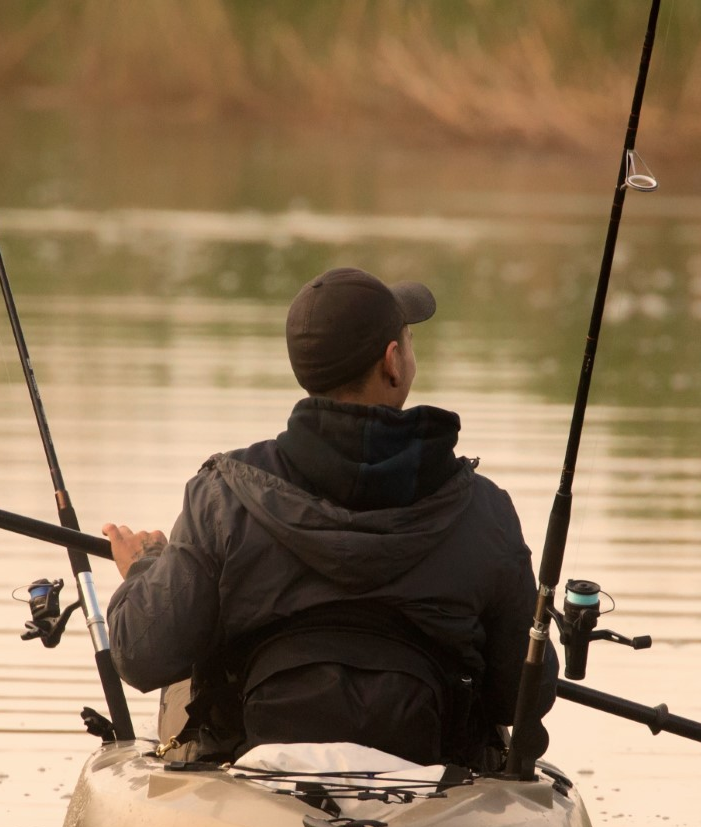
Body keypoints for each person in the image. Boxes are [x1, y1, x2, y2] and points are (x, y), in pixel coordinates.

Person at [100, 266, 548, 768]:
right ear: (393, 362)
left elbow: (142, 656)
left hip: (253, 784)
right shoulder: (485, 510)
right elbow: (521, 695)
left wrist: (145, 569)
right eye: (410, 340)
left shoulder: (222, 496)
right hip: (431, 787)